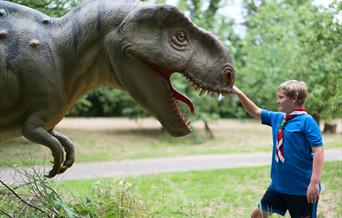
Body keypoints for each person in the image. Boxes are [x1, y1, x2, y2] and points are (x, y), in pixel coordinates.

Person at [230, 80, 324, 218]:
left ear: (294, 98)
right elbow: (255, 111)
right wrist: (237, 92)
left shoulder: (307, 121)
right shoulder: (278, 118)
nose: (277, 101)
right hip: (278, 187)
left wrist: (314, 183)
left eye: (281, 97)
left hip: (301, 189)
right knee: (257, 216)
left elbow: (318, 151)